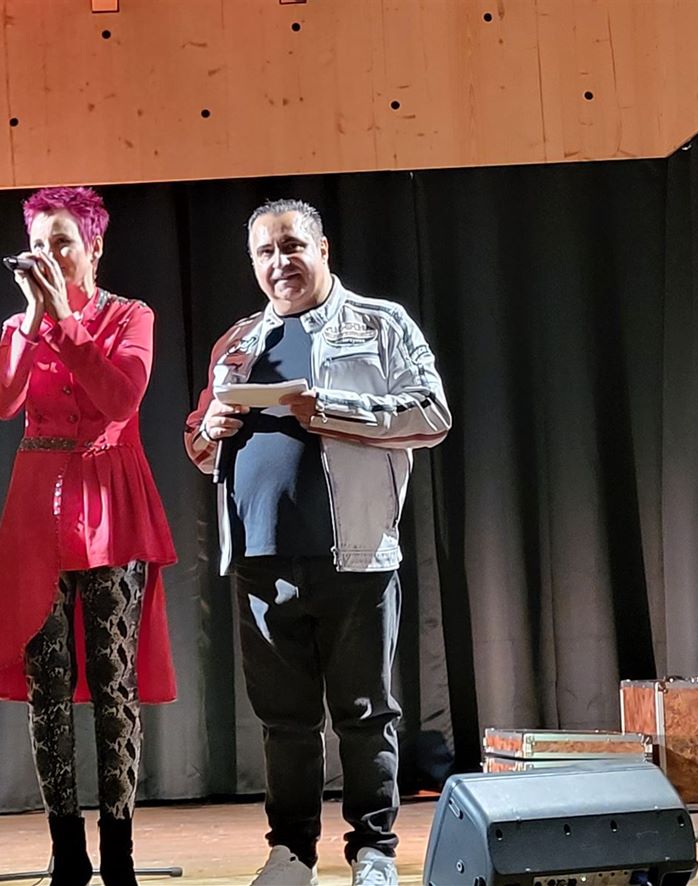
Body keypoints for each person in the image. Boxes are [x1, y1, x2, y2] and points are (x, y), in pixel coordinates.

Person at [182, 199, 450, 886]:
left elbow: (432, 414)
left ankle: (373, 850)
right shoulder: (238, 341)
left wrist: (327, 409)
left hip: (353, 554)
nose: (280, 263)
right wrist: (210, 430)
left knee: (365, 714)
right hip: (260, 558)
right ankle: (291, 853)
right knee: (285, 721)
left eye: (292, 246)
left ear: (322, 248)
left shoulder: (380, 324)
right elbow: (199, 450)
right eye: (266, 253)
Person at [0, 186, 177, 886]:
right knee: (49, 684)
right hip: (37, 504)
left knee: (114, 680)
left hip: (109, 498)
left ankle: (118, 853)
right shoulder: (20, 324)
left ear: (94, 246)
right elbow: (0, 401)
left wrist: (65, 321)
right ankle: (68, 853)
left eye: (61, 242)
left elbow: (121, 397)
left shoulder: (131, 316)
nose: (48, 255)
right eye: (37, 244)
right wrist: (35, 322)